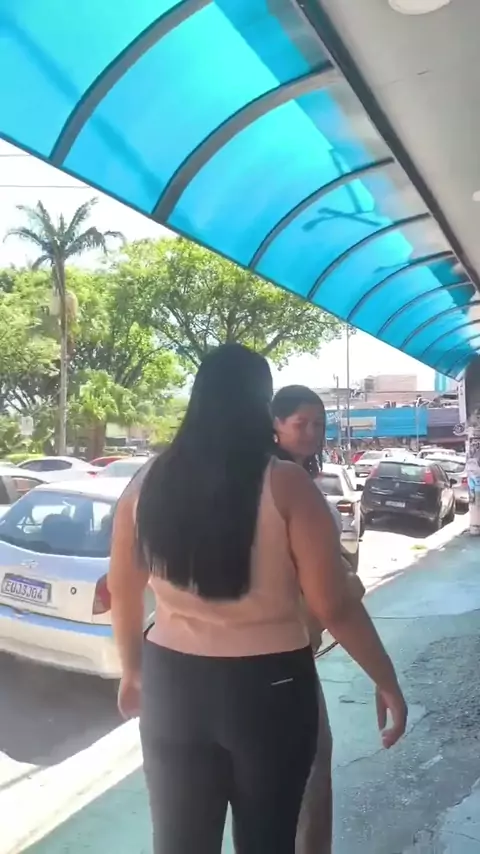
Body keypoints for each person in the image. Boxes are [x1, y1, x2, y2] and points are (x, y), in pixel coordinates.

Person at [108, 345, 407, 854]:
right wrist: (386, 679)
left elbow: (122, 587)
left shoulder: (148, 482)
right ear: (261, 405)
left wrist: (133, 671)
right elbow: (333, 604)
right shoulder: (286, 484)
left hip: (172, 682)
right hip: (270, 688)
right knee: (268, 840)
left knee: (180, 843)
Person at [272, 384, 362, 854]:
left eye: (319, 425)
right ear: (275, 424)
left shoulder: (297, 476)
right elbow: (330, 597)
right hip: (282, 653)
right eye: (300, 423)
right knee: (309, 774)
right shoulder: (280, 480)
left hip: (287, 648)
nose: (310, 433)